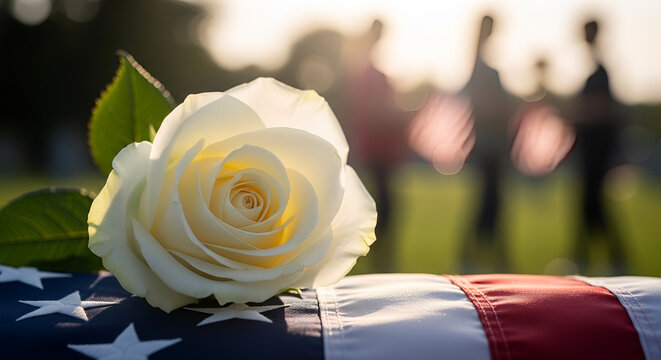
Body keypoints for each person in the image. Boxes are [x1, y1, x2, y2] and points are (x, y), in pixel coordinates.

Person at [460, 15, 519, 272]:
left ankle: (490, 255)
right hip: (489, 146)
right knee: (489, 201)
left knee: (493, 200)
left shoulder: (482, 67)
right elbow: (484, 108)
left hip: (493, 145)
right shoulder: (482, 69)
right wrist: (512, 106)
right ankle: (474, 255)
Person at [573, 20, 627, 274]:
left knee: (594, 202)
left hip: (597, 148)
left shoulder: (600, 73)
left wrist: (571, 117)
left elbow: (599, 111)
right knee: (588, 203)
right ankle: (584, 254)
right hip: (590, 147)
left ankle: (612, 256)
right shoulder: (596, 71)